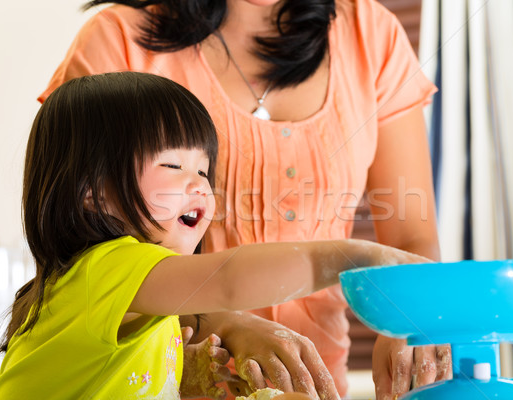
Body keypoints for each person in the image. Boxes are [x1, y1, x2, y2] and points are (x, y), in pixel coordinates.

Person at [38, 0, 451, 398]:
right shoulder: (117, 39)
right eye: (172, 167)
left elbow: (411, 234)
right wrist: (227, 325)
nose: (201, 186)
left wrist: (407, 313)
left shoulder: (370, 33)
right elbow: (226, 281)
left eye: (204, 170)